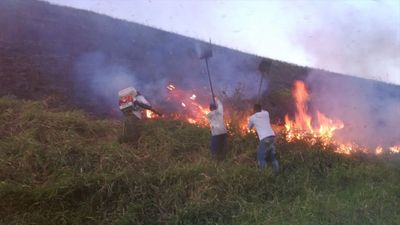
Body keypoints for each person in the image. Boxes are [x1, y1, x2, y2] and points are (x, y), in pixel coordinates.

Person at [248, 104, 280, 174]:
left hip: (264, 138)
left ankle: (264, 175)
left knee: (261, 157)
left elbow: (249, 128)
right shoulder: (266, 113)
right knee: (272, 157)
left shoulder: (252, 117)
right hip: (272, 137)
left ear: (254, 110)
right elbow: (261, 111)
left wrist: (252, 117)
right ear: (261, 109)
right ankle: (277, 173)